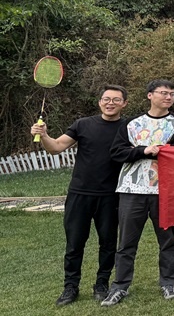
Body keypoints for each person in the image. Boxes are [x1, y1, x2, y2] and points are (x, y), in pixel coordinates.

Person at [31, 85, 128, 306]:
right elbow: (56, 147)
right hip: (80, 194)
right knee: (74, 244)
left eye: (116, 99)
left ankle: (102, 284)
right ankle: (70, 287)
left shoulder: (129, 127)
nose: (110, 103)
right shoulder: (83, 124)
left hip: (111, 196)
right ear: (100, 102)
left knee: (108, 243)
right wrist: (44, 135)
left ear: (124, 103)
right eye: (106, 99)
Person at [100, 80, 174, 306]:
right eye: (164, 93)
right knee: (126, 242)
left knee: (168, 240)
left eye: (172, 94)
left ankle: (169, 282)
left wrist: (141, 150)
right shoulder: (132, 123)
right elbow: (117, 152)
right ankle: (120, 286)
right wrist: (144, 150)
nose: (168, 97)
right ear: (150, 95)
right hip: (132, 189)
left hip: (165, 190)